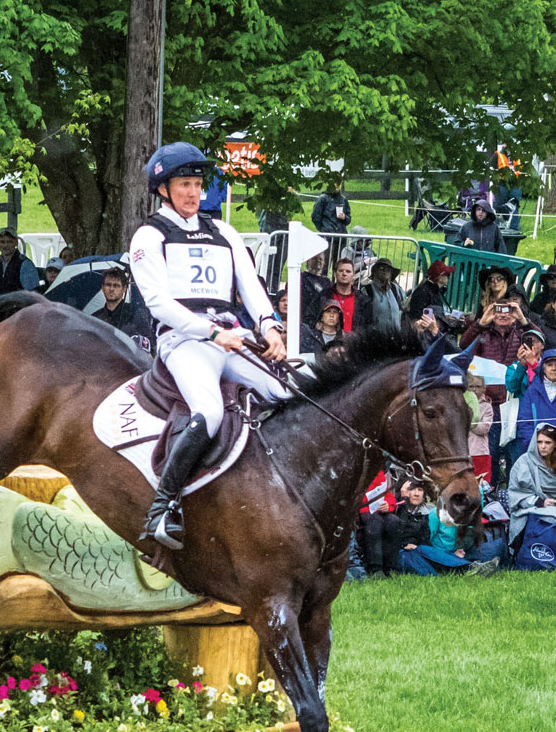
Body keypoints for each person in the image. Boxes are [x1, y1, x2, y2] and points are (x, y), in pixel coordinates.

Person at [126, 142, 291, 548]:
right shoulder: (149, 235)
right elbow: (160, 303)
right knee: (210, 411)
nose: (193, 193)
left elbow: (250, 288)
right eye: (184, 184)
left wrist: (270, 328)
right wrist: (212, 333)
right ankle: (162, 508)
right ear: (163, 189)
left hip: (231, 336)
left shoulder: (225, 233)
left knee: (282, 392)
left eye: (197, 184)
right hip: (183, 341)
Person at [507, 424, 556, 571]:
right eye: (539, 442)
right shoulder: (524, 463)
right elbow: (515, 494)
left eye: (547, 443)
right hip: (529, 509)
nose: (543, 446)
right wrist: (541, 502)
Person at [391, 482, 498, 576]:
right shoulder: (396, 509)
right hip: (399, 553)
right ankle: (467, 569)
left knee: (422, 553)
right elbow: (398, 531)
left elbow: (426, 540)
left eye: (420, 490)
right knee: (414, 556)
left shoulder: (425, 512)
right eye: (411, 490)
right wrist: (403, 500)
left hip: (417, 551)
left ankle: (467, 569)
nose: (416, 493)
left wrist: (451, 555)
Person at [312, 257, 376, 335]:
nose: (344, 274)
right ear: (335, 274)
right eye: (341, 271)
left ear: (353, 275)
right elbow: (310, 318)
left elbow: (369, 327)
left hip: (353, 344)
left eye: (348, 271)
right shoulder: (324, 296)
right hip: (327, 343)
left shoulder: (363, 301)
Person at [90, 268, 151, 341]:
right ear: (102, 287)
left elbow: (147, 344)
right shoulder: (95, 318)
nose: (111, 289)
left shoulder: (136, 314)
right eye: (108, 285)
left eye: (116, 285)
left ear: (124, 289)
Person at [0, 228, 38, 295]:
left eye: (10, 242)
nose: (6, 245)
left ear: (16, 242)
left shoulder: (25, 264)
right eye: (2, 242)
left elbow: (32, 294)